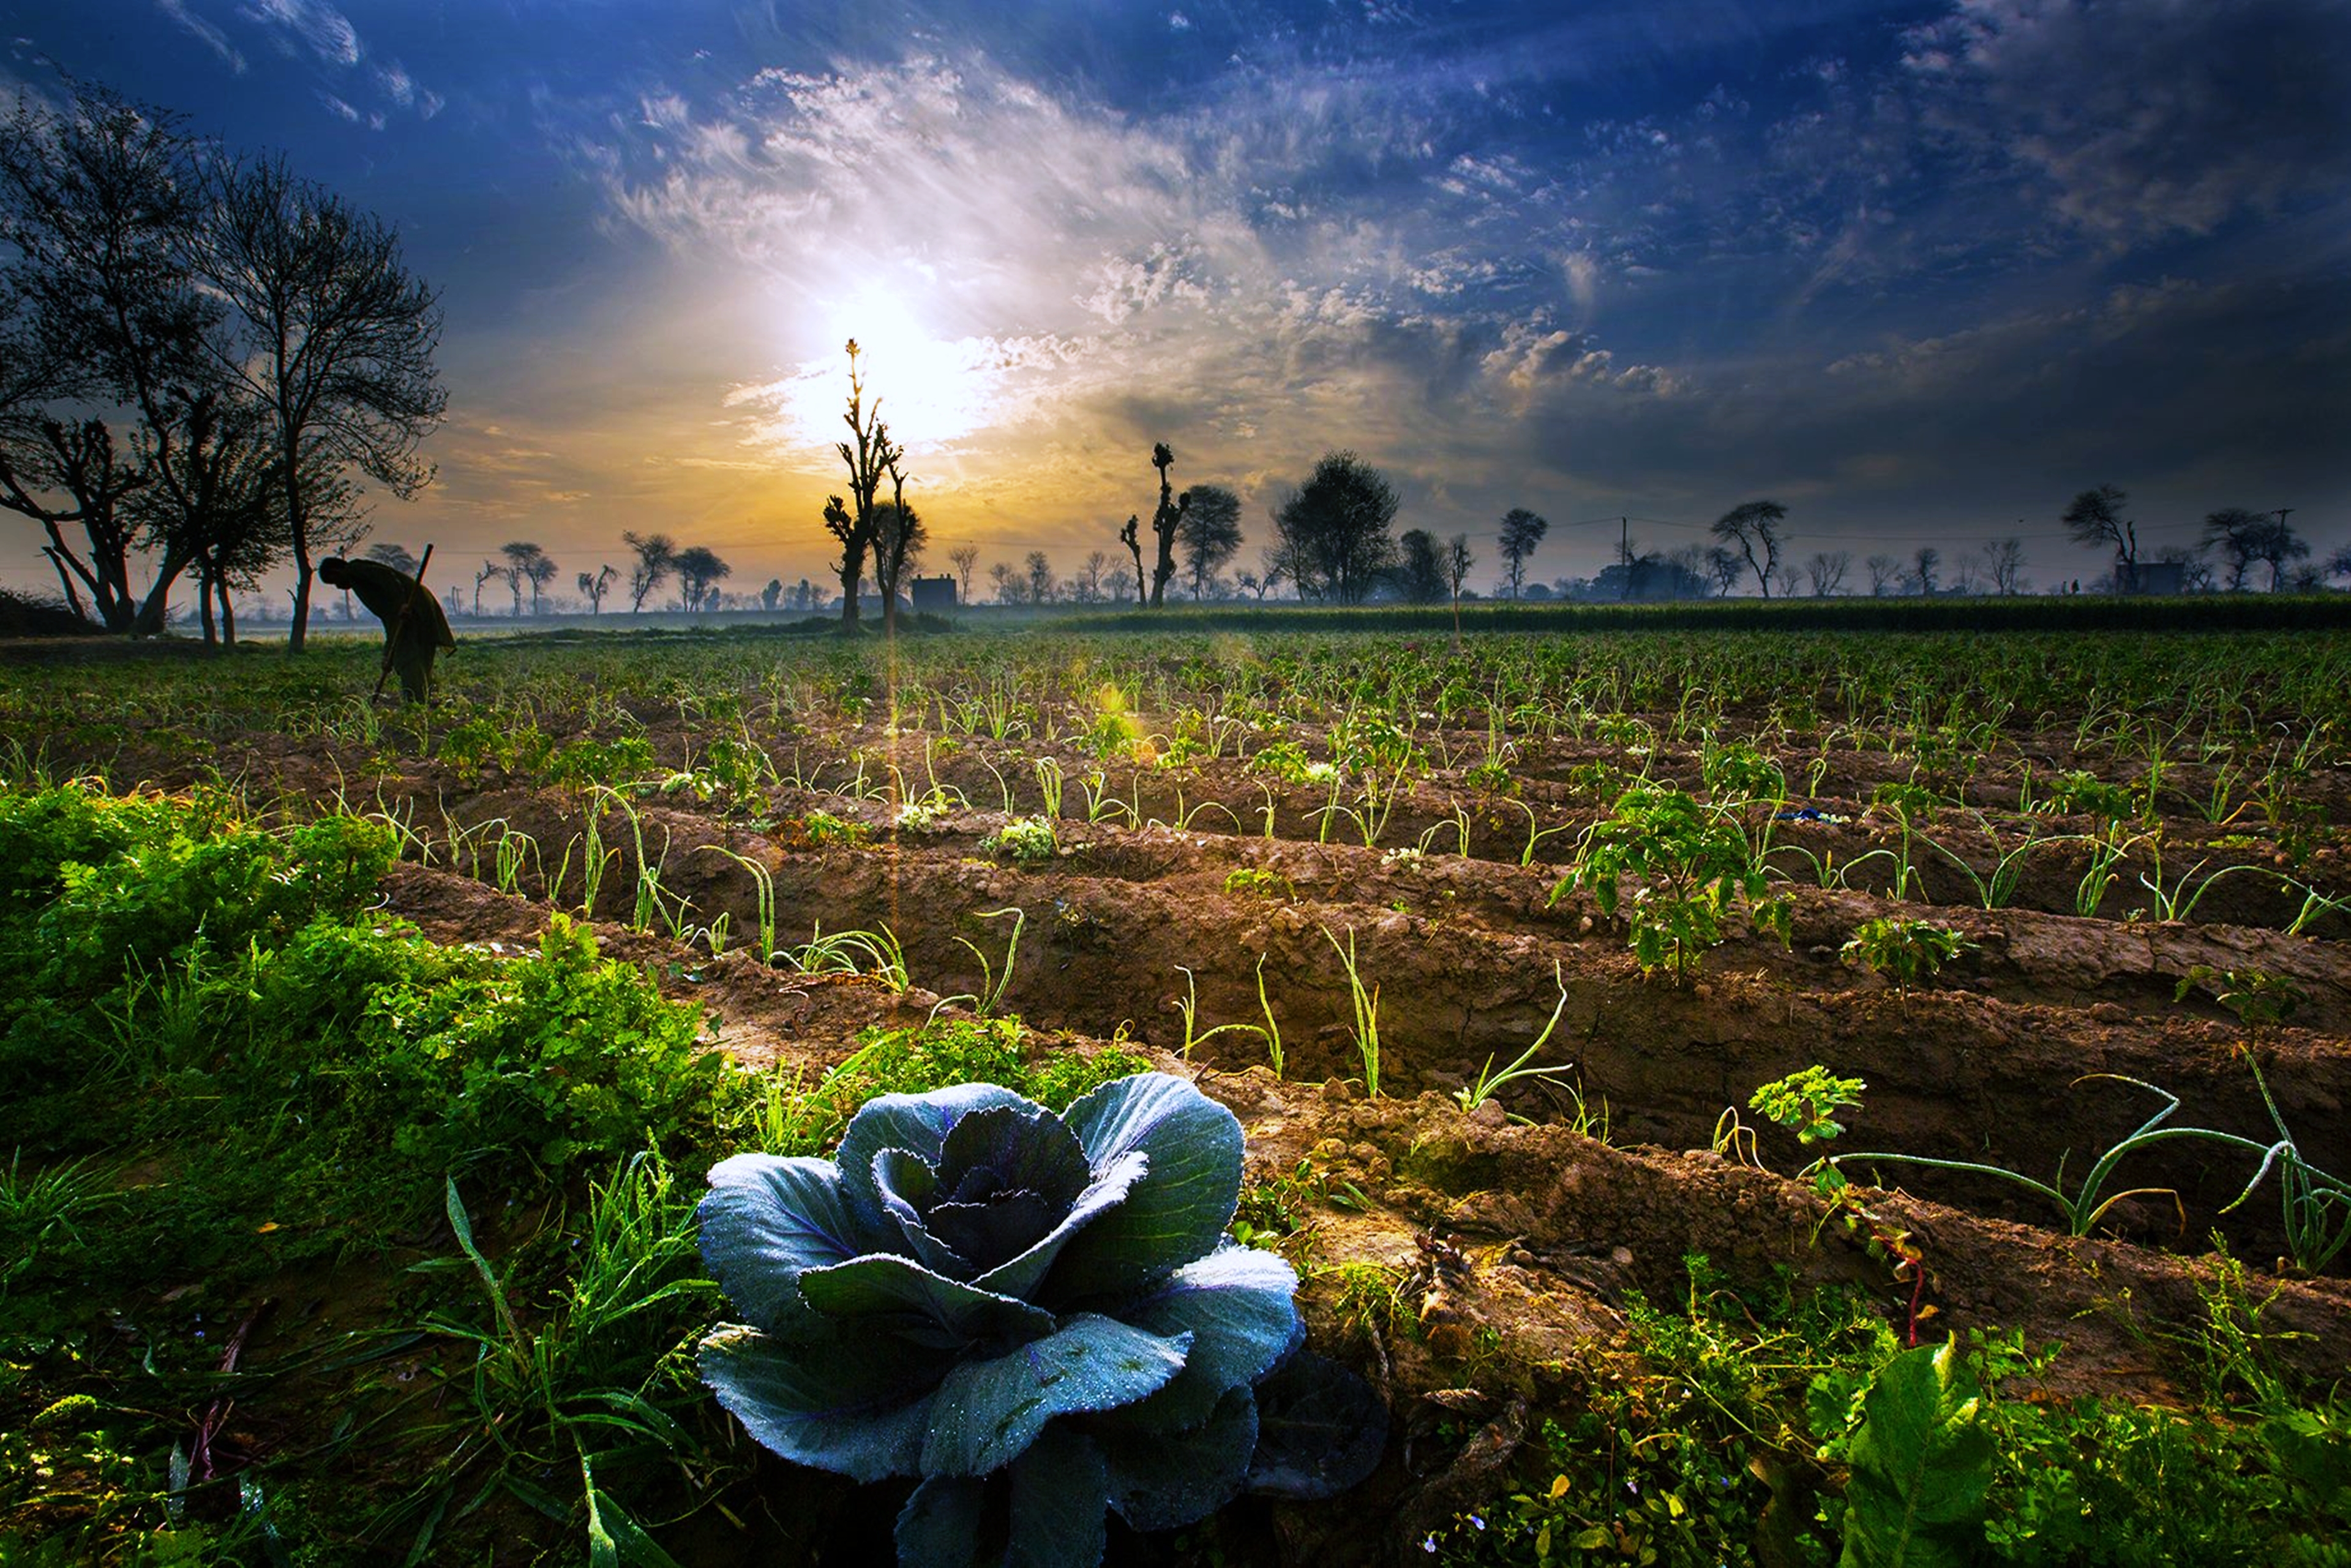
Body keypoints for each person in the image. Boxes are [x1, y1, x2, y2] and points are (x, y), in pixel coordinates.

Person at [316, 555, 454, 703]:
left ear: (336, 570)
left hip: (413, 610)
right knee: (415, 654)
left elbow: (388, 577)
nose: (338, 586)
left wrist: (402, 604)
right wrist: (388, 654)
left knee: (407, 657)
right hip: (416, 610)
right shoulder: (357, 575)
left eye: (335, 581)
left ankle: (416, 702)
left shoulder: (355, 569)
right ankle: (427, 698)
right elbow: (390, 621)